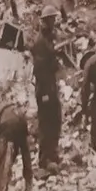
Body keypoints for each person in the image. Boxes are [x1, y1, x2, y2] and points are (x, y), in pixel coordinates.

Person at [32, 10, 63, 173]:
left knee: (55, 120)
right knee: (46, 123)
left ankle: (53, 154)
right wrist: (45, 93)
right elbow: (39, 70)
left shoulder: (48, 38)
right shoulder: (40, 41)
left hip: (50, 87)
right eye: (53, 19)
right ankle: (44, 160)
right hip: (44, 89)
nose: (54, 22)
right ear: (47, 20)